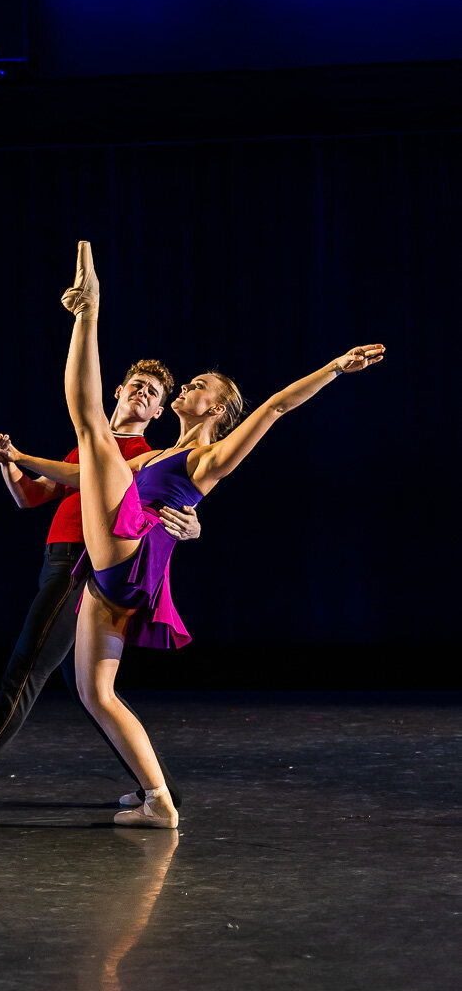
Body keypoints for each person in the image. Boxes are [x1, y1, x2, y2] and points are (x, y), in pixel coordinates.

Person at [49, 240, 384, 829]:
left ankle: (89, 311)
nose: (189, 386)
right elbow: (84, 478)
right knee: (94, 694)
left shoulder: (208, 457)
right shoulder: (156, 454)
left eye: (201, 384)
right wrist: (21, 460)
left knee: (91, 425)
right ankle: (159, 802)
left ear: (218, 409)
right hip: (114, 571)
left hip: (128, 556)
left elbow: (277, 408)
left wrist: (335, 367)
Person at [0, 358, 201, 821]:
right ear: (118, 391)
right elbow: (30, 495)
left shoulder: (142, 456)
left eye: (153, 394)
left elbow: (175, 500)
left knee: (22, 680)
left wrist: (192, 525)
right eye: (137, 385)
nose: (142, 394)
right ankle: (163, 792)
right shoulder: (84, 447)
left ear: (159, 412)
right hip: (56, 563)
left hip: (81, 570)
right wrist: (8, 463)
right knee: (89, 692)